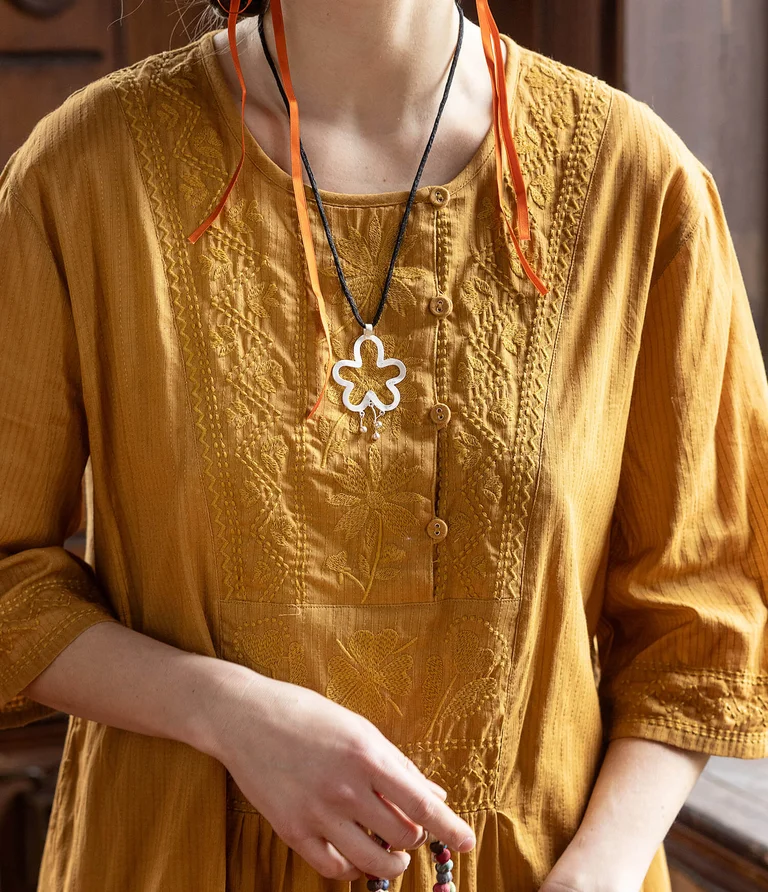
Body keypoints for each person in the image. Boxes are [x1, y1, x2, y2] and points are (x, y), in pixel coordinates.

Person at [0, 0, 766, 889]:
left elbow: (705, 615)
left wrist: (595, 874)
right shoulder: (86, 171)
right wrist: (226, 713)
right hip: (173, 857)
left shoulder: (635, 183)